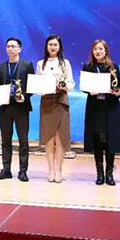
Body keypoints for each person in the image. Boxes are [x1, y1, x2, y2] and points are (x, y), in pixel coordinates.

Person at [82, 39, 120, 186]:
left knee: (109, 140)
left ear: (105, 51)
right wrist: (89, 90)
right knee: (97, 141)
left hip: (110, 108)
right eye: (95, 49)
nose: (98, 51)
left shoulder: (113, 67)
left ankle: (109, 173)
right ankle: (99, 174)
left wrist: (116, 92)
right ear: (92, 51)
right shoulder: (88, 67)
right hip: (95, 108)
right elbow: (84, 87)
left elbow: (119, 88)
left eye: (100, 49)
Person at [0, 37, 35, 182]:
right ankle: (6, 169)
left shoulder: (27, 65)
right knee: (5, 140)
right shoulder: (1, 67)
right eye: (8, 46)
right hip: (5, 108)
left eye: (13, 46)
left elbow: (32, 86)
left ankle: (23, 170)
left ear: (19, 49)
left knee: (23, 140)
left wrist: (25, 96)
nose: (10, 49)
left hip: (21, 108)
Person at [36, 34, 74, 183]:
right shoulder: (40, 64)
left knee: (60, 137)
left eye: (55, 45)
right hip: (47, 102)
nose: (53, 47)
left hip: (61, 101)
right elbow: (38, 84)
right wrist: (42, 89)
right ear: (46, 47)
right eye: (50, 44)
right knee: (49, 138)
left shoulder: (65, 63)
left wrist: (64, 86)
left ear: (59, 47)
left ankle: (59, 170)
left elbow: (71, 83)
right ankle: (51, 169)